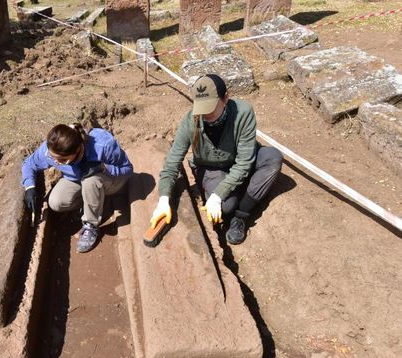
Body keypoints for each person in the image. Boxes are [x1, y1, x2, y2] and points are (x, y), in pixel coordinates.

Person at [150, 74, 283, 244]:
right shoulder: (190, 121)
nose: (205, 114)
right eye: (201, 108)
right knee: (225, 206)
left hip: (241, 159)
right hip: (212, 168)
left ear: (226, 98)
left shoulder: (243, 112)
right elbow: (172, 163)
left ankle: (241, 216)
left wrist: (217, 195)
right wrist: (163, 199)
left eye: (211, 107)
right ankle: (234, 198)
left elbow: (244, 162)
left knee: (273, 158)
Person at [22, 123, 133, 253]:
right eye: (53, 158)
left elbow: (127, 169)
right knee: (56, 202)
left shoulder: (102, 146)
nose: (56, 162)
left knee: (91, 181)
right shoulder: (50, 149)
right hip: (78, 179)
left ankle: (91, 225)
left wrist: (103, 168)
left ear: (78, 150)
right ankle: (94, 202)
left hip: (109, 180)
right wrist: (29, 186)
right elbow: (29, 164)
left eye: (62, 161)